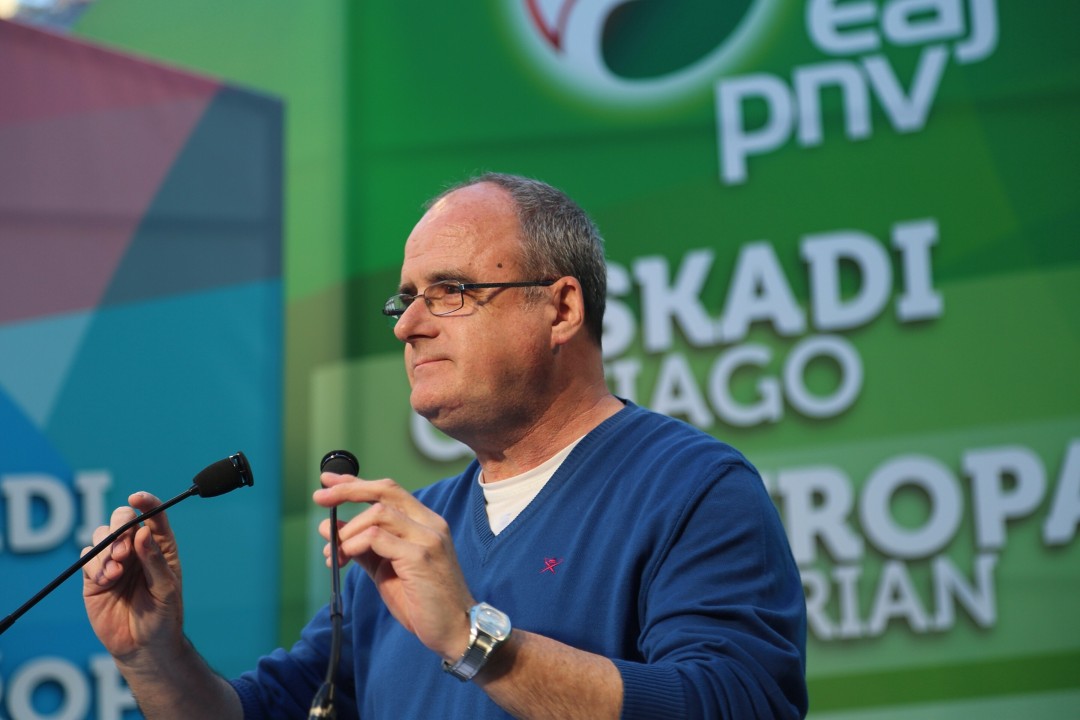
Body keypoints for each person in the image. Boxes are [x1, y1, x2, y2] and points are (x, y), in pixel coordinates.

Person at [83, 172, 808, 718]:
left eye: (451, 291)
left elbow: (737, 702)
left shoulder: (692, 488)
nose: (407, 326)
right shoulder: (407, 543)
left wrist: (472, 638)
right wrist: (153, 656)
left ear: (561, 308)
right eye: (406, 299)